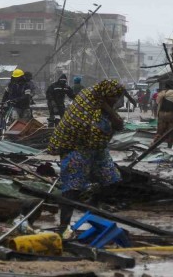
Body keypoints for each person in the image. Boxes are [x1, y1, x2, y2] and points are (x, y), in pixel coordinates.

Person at [48, 79, 126, 233]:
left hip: (97, 149)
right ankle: (64, 225)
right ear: (105, 94)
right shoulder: (88, 103)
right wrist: (112, 115)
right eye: (113, 97)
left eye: (117, 97)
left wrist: (109, 109)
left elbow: (117, 126)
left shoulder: (101, 103)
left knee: (111, 179)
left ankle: (94, 213)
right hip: (77, 149)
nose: (116, 100)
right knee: (72, 187)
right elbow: (98, 132)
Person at [154, 81, 173, 148]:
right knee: (171, 131)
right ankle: (169, 147)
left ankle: (155, 146)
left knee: (160, 131)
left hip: (161, 114)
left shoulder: (161, 93)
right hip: (170, 114)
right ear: (172, 86)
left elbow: (157, 103)